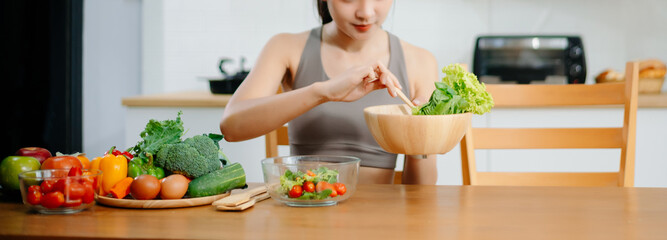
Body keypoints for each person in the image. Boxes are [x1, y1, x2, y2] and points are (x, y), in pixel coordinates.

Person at [220, 0, 439, 184]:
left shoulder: (420, 61)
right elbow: (231, 127)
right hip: (305, 215)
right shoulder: (285, 47)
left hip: (379, 221)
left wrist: (421, 139)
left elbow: (421, 194)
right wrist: (322, 92)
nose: (366, 12)